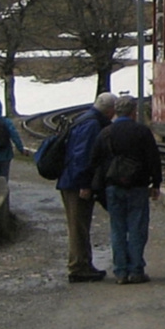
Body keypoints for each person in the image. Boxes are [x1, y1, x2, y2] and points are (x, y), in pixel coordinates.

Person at [89, 95, 162, 285]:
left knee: (117, 229)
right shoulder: (142, 132)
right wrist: (156, 184)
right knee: (137, 228)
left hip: (113, 187)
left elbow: (94, 160)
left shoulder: (106, 132)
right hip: (137, 186)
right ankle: (136, 270)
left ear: (116, 111)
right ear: (132, 112)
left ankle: (120, 272)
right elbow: (153, 159)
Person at [57, 92, 116, 283]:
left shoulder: (85, 119)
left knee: (78, 225)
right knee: (79, 226)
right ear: (109, 110)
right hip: (76, 183)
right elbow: (82, 156)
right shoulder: (92, 124)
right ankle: (79, 267)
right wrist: (85, 184)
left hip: (70, 180)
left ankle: (83, 264)